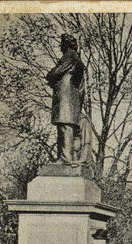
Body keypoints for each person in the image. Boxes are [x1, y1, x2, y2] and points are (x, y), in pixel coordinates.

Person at [46, 33, 86, 164]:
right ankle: (68, 157)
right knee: (66, 127)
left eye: (62, 44)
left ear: (65, 44)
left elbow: (56, 72)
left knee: (64, 126)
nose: (60, 47)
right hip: (71, 98)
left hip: (65, 97)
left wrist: (50, 75)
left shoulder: (69, 56)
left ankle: (65, 158)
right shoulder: (76, 57)